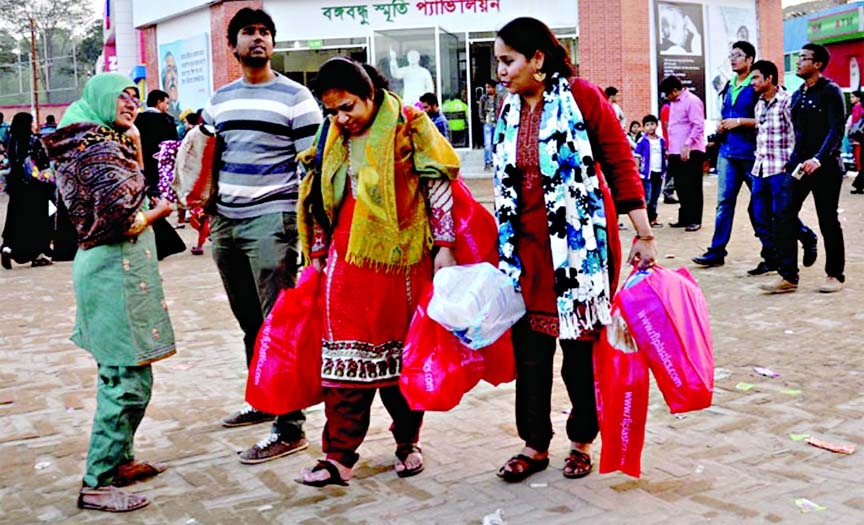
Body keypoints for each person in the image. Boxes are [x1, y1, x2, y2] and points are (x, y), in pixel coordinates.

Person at [491, 17, 656, 483]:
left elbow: (620, 163)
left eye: (508, 61)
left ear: (537, 59)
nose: (501, 71)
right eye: (499, 62)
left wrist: (644, 233)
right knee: (530, 353)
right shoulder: (509, 109)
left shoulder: (582, 97)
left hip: (580, 249)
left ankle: (582, 439)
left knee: (578, 352)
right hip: (524, 250)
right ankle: (534, 444)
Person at [297, 57, 460, 487]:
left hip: (401, 262)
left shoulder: (410, 123)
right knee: (343, 364)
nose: (340, 118)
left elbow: (437, 181)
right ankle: (338, 456)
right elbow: (317, 191)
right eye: (332, 110)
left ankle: (408, 442)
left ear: (371, 94)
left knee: (402, 360)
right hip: (345, 264)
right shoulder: (329, 134)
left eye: (348, 107)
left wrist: (444, 248)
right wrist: (316, 250)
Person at [41, 72, 177, 513]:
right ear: (99, 98)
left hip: (115, 268)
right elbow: (122, 215)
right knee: (126, 383)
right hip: (111, 269)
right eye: (121, 96)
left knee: (124, 374)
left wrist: (133, 142)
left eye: (134, 97)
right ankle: (96, 481)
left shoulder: (95, 138)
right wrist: (161, 210)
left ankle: (120, 461)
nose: (130, 104)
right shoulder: (96, 147)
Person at [203, 7, 321, 463]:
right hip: (226, 221)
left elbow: (311, 167)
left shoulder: (296, 98)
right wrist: (206, 205)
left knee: (277, 322)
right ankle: (263, 397)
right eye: (249, 33)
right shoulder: (221, 99)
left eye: (265, 33)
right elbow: (208, 156)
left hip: (273, 219)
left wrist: (311, 230)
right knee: (249, 320)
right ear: (233, 45)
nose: (258, 39)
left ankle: (290, 425)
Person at [765, 44, 847, 294]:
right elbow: (795, 134)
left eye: (803, 58)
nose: (798, 62)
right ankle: (788, 276)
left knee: (828, 219)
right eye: (798, 58)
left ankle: (835, 274)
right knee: (783, 214)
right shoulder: (798, 94)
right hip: (798, 166)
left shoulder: (831, 91)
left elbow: (836, 130)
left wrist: (819, 158)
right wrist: (792, 162)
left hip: (826, 167)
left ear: (818, 64)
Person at [746, 61, 817, 289]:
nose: (752, 83)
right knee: (758, 213)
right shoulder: (759, 104)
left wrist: (793, 163)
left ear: (769, 78)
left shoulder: (787, 101)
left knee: (781, 216)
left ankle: (786, 268)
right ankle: (803, 237)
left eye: (756, 78)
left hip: (782, 168)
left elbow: (798, 133)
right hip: (761, 167)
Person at [693, 41, 760, 266]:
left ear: (750, 59)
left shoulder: (757, 85)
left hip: (752, 155)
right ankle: (717, 251)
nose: (733, 59)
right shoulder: (729, 85)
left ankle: (800, 237)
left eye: (738, 55)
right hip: (728, 153)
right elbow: (726, 115)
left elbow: (767, 119)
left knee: (765, 203)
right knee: (724, 203)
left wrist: (739, 122)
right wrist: (722, 127)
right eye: (731, 55)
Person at [1, 112, 54, 270]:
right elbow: (43, 163)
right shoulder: (34, 141)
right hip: (35, 188)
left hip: (16, 187)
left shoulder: (12, 142)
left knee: (15, 220)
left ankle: (7, 248)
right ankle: (38, 255)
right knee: (36, 221)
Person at [660, 75, 705, 231]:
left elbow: (698, 125)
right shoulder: (673, 104)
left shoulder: (692, 101)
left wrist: (687, 144)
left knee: (693, 186)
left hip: (691, 150)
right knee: (680, 186)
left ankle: (695, 219)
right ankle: (684, 217)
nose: (667, 97)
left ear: (674, 90)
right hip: (676, 151)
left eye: (667, 94)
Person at [634, 114, 666, 226]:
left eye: (652, 124)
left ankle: (653, 218)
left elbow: (664, 154)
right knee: (647, 197)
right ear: (643, 128)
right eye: (647, 125)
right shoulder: (642, 141)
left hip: (659, 172)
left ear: (656, 125)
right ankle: (645, 220)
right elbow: (637, 156)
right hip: (647, 173)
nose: (650, 127)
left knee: (655, 197)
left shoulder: (661, 140)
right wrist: (637, 170)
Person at [479, 80, 502, 170]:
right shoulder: (483, 98)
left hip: (496, 122)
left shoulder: (499, 97)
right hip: (488, 123)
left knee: (495, 143)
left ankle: (494, 160)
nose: (487, 89)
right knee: (487, 144)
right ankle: (487, 162)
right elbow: (480, 110)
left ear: (493, 88)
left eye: (488, 87)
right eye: (486, 87)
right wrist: (483, 120)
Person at [849, 89, 863, 194]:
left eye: (853, 97)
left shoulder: (858, 109)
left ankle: (859, 185)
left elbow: (856, 125)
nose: (851, 99)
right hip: (858, 138)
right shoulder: (858, 108)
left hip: (858, 139)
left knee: (859, 161)